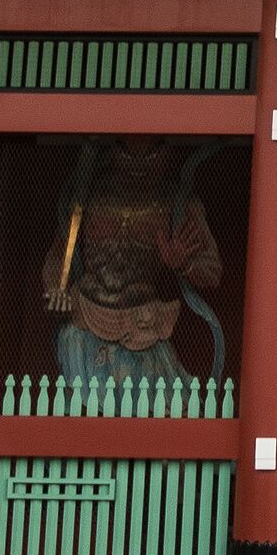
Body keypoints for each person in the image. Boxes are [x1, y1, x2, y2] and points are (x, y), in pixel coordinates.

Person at [43, 136, 223, 380]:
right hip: (85, 317)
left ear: (168, 153)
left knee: (158, 408)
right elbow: (58, 255)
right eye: (127, 154)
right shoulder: (88, 194)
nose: (138, 166)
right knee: (85, 409)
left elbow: (212, 271)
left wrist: (184, 264)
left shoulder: (176, 202)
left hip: (145, 323)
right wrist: (56, 288)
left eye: (150, 156)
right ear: (112, 150)